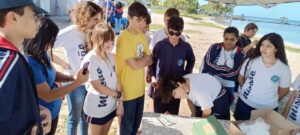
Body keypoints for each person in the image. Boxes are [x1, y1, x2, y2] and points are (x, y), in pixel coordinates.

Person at [24, 18, 89, 135]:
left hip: (53, 113)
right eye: (51, 40)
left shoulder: (42, 53)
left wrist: (71, 78)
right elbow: (48, 95)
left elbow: (53, 73)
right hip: (42, 119)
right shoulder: (31, 63)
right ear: (42, 38)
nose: (53, 44)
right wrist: (77, 82)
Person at [0, 0, 51, 134]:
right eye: (34, 16)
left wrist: (35, 109)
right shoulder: (8, 60)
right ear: (13, 17)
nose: (38, 21)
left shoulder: (12, 55)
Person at [53, 1, 103, 135]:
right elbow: (45, 47)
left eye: (100, 19)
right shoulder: (70, 32)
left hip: (90, 83)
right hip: (74, 83)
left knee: (85, 117)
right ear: (84, 17)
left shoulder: (94, 33)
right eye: (95, 19)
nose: (98, 22)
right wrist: (63, 64)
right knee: (74, 119)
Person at [234, 33, 291, 120]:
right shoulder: (251, 60)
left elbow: (283, 91)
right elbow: (241, 78)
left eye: (268, 46)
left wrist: (268, 100)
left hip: (268, 109)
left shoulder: (284, 68)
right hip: (244, 104)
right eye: (262, 45)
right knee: (238, 130)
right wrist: (248, 93)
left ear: (276, 48)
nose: (264, 48)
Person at [116, 2, 152, 135]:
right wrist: (143, 60)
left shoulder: (141, 36)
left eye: (143, 20)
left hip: (140, 91)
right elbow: (135, 65)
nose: (141, 24)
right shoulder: (124, 38)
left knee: (135, 128)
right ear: (129, 18)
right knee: (126, 130)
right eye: (138, 20)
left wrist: (140, 61)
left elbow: (151, 58)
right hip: (127, 93)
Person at [81, 23, 124, 135]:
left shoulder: (111, 56)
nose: (110, 43)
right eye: (106, 40)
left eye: (111, 39)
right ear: (97, 39)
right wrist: (117, 95)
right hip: (96, 109)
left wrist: (120, 103)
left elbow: (118, 79)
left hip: (111, 107)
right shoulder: (90, 59)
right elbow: (98, 86)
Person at [147, 16, 195, 115]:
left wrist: (185, 76)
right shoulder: (160, 45)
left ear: (181, 31)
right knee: (158, 115)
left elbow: (191, 60)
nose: (174, 37)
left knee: (173, 114)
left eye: (177, 33)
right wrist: (152, 77)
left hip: (176, 87)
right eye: (171, 33)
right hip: (160, 86)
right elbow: (152, 62)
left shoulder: (186, 47)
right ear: (167, 30)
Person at [200, 27, 245, 102]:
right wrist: (225, 69)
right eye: (226, 39)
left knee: (225, 106)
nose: (228, 42)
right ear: (223, 38)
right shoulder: (214, 47)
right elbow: (207, 65)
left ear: (237, 39)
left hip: (228, 84)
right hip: (211, 80)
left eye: (232, 39)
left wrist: (215, 71)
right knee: (207, 104)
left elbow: (235, 74)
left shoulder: (240, 53)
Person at [158, 73, 230, 120]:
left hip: (218, 99)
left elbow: (207, 112)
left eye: (174, 93)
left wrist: (201, 127)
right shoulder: (184, 84)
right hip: (205, 99)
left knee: (218, 125)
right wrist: (193, 114)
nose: (176, 97)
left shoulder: (199, 92)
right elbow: (190, 98)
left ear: (179, 84)